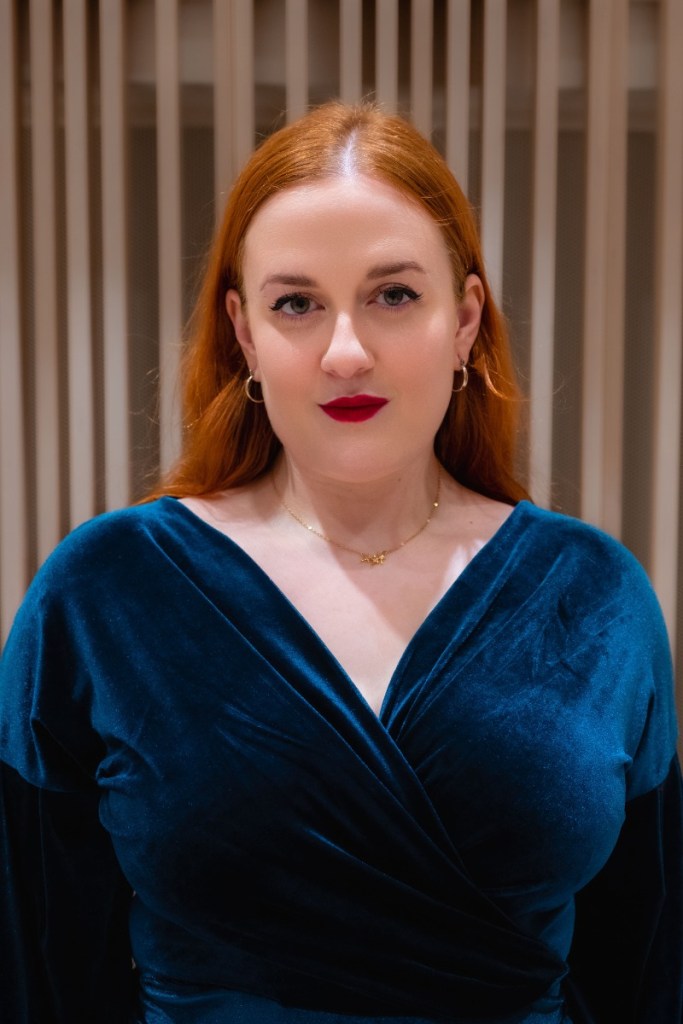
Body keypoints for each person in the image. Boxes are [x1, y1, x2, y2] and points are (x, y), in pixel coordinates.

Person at [0, 101, 681, 1024]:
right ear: (244, 333)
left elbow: (645, 967)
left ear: (464, 320)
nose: (346, 352)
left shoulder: (595, 598)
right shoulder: (105, 593)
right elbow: (39, 963)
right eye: (296, 304)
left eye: (392, 295)